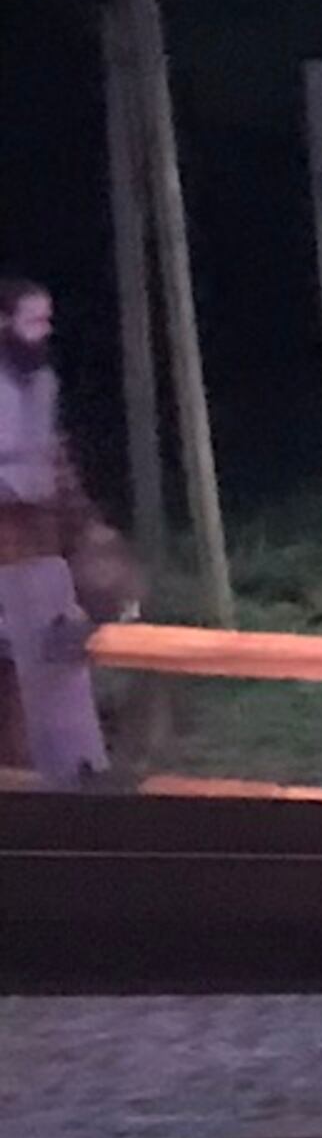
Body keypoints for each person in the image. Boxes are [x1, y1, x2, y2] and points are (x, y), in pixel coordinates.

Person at [0, 275, 138, 778]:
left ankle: (71, 778)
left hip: (38, 552)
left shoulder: (41, 382)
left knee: (56, 668)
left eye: (47, 320)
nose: (45, 330)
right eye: (34, 320)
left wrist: (85, 524)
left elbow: (54, 460)